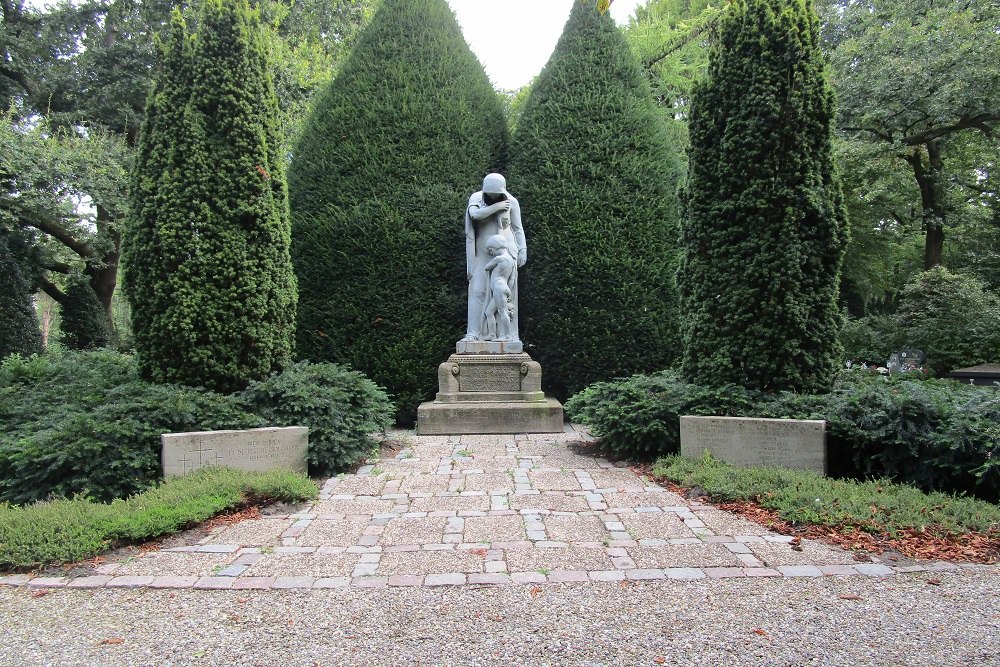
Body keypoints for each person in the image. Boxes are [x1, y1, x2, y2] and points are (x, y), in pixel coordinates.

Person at [462, 173, 526, 342]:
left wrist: (523, 249)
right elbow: (475, 215)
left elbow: (517, 228)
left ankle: (507, 336)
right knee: (477, 290)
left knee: (503, 297)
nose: (491, 196)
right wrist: (497, 206)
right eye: (489, 193)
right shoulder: (476, 198)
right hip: (482, 254)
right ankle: (473, 333)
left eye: (495, 194)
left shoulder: (512, 202)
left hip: (504, 254)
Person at [482, 235, 517, 341]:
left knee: (503, 311)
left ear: (497, 246)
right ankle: (492, 334)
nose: (490, 252)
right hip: (503, 287)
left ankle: (507, 335)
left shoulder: (499, 258)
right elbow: (512, 279)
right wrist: (508, 290)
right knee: (488, 312)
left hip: (498, 287)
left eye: (491, 249)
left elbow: (486, 267)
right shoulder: (511, 261)